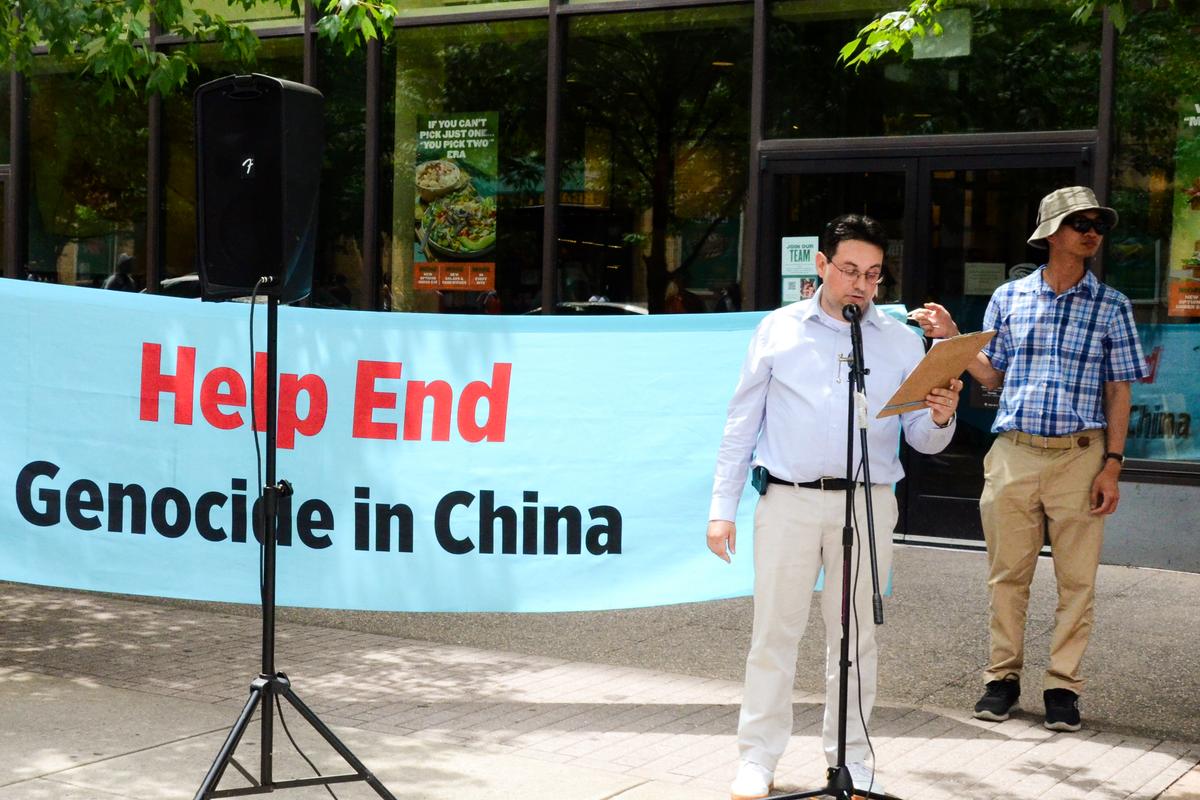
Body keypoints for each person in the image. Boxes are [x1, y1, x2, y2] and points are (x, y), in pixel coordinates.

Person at [707, 214, 962, 800]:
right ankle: (758, 758)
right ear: (821, 265)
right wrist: (721, 507)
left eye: (873, 275)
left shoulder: (900, 339)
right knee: (774, 633)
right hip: (789, 499)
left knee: (856, 637)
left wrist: (942, 413)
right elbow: (741, 422)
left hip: (868, 504)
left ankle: (851, 761)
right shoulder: (778, 330)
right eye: (849, 270)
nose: (861, 285)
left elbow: (922, 438)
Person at [913, 186, 1147, 734]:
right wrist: (953, 338)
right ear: (1049, 234)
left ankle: (1063, 686)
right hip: (1014, 452)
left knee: (1077, 581)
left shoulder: (1112, 305)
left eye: (1097, 224)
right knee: (1006, 576)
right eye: (1079, 222)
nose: (1092, 231)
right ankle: (1002, 680)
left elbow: (1119, 390)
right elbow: (992, 377)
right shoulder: (1009, 297)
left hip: (1081, 457)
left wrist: (1113, 464)